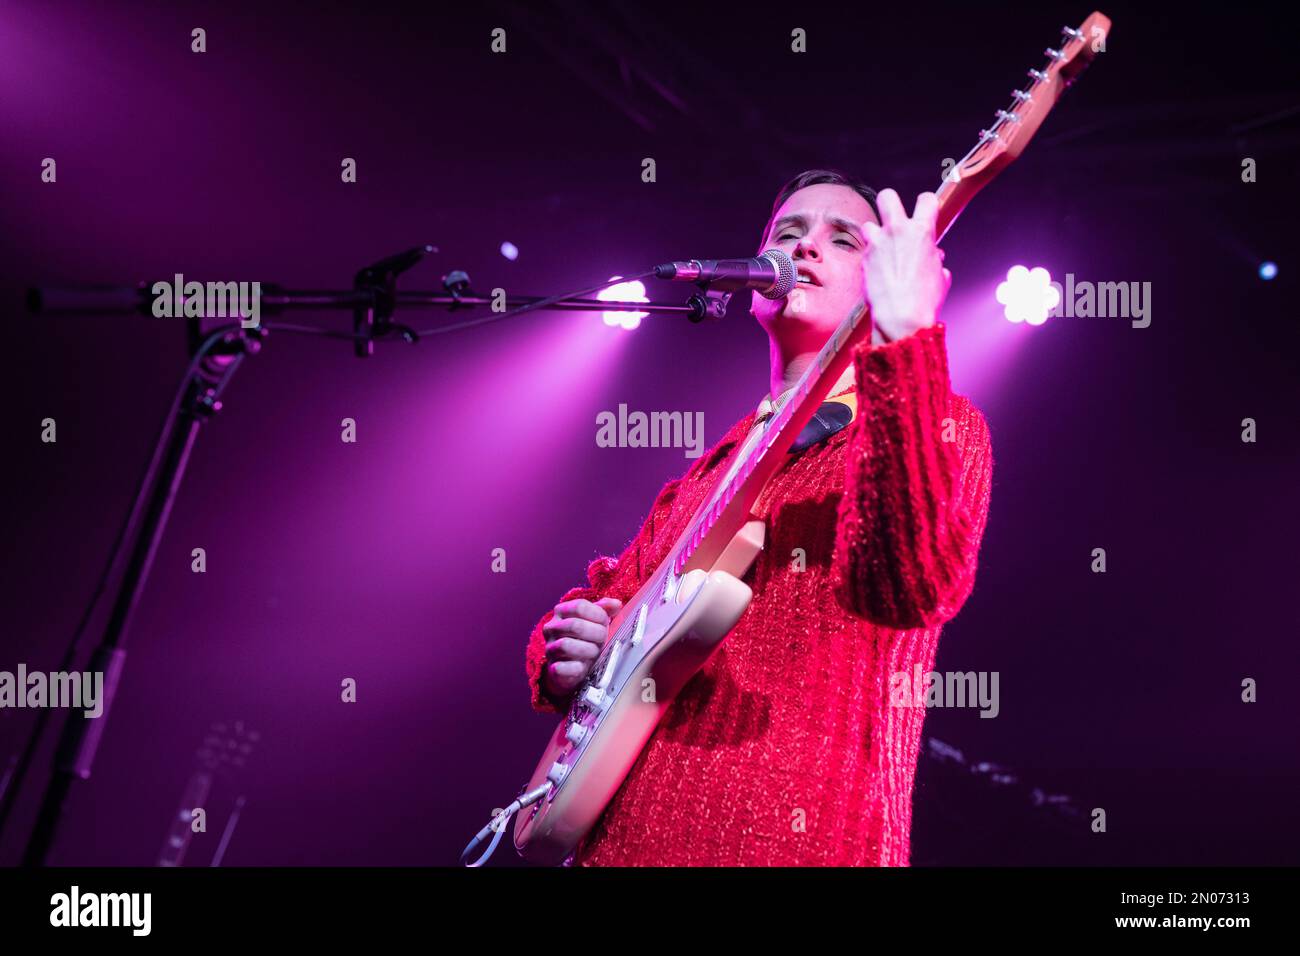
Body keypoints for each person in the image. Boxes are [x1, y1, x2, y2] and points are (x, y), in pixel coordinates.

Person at [523, 168, 994, 865]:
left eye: (843, 240)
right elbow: (607, 599)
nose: (804, 249)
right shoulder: (711, 471)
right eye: (788, 234)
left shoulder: (937, 420)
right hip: (623, 845)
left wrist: (905, 343)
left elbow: (909, 586)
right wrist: (567, 650)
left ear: (885, 278)